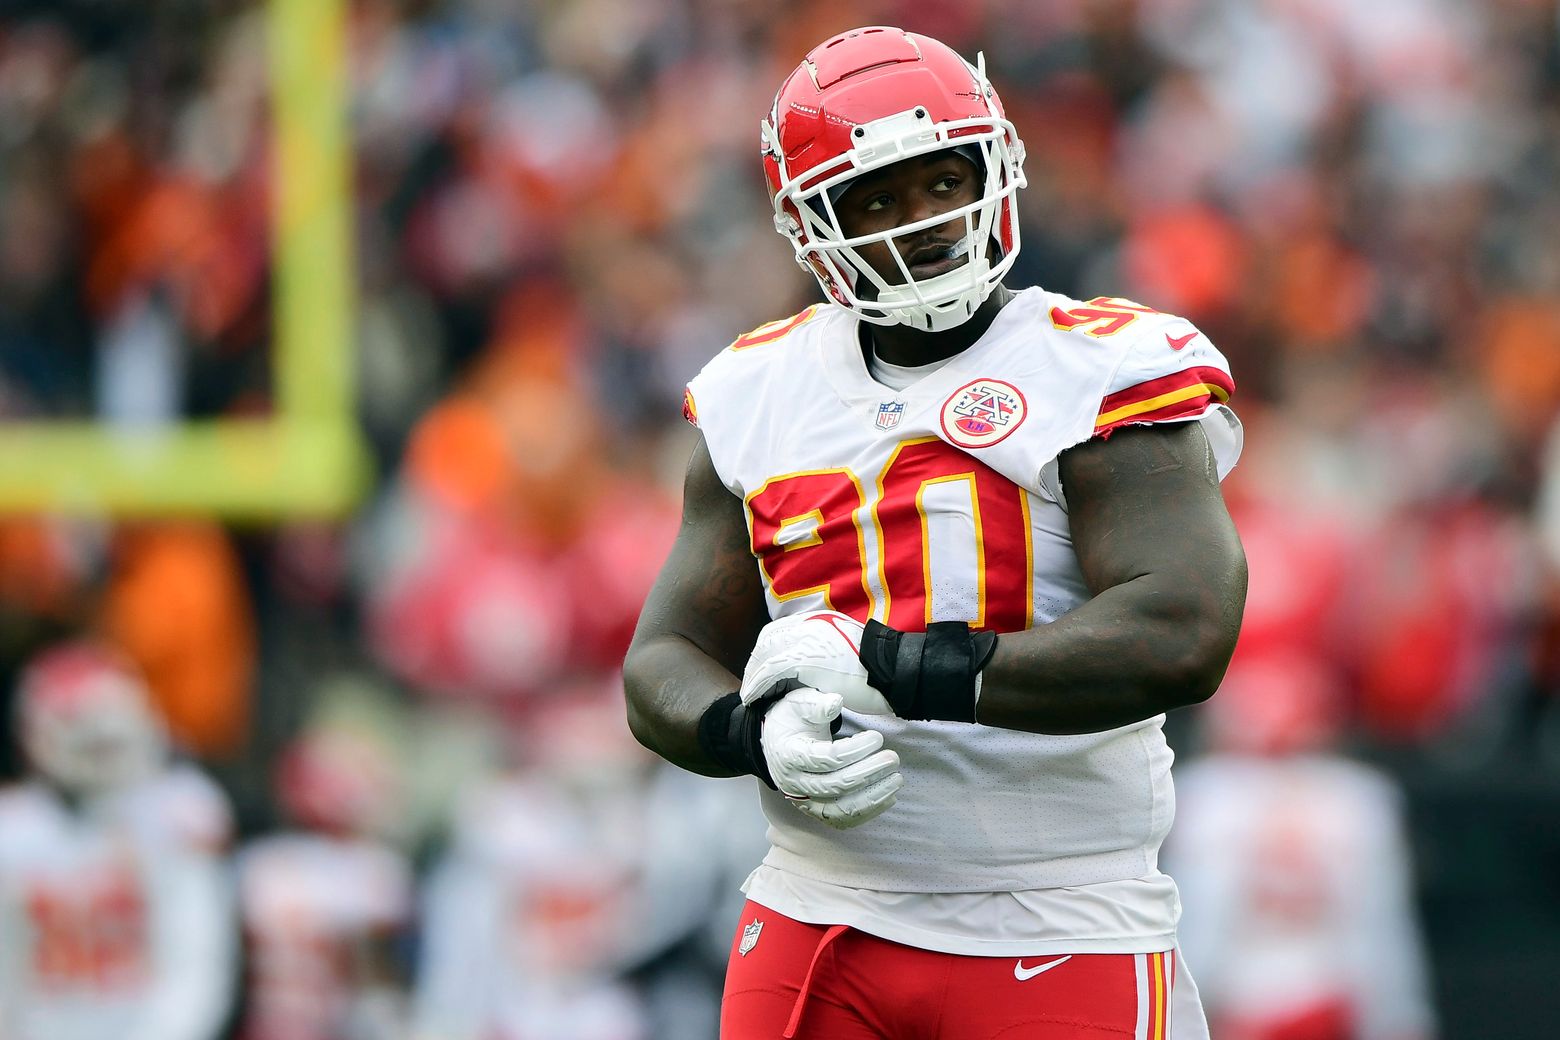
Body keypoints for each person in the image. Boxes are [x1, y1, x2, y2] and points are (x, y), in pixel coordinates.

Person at [622, 24, 1248, 1040]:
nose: (921, 220)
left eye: (941, 179)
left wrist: (899, 665)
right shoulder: (757, 389)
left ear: (994, 168)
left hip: (1058, 911)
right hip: (819, 909)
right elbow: (663, 657)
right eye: (874, 198)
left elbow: (1183, 630)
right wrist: (749, 730)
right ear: (808, 223)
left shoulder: (1105, 365)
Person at [0, 641, 236, 1040]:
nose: (107, 753)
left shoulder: (177, 811)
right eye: (93, 742)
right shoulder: (15, 829)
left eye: (115, 738)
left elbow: (197, 962)